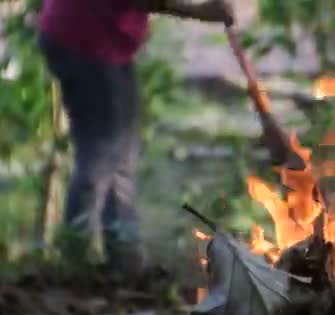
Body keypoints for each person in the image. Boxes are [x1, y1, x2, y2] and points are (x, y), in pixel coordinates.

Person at [37, 0, 234, 277]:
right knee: (101, 151)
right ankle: (73, 256)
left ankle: (124, 256)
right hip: (83, 38)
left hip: (105, 41)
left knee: (121, 152)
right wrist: (200, 12)